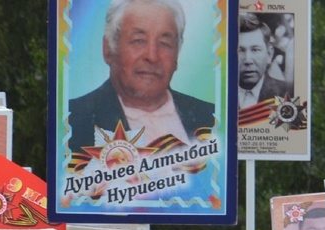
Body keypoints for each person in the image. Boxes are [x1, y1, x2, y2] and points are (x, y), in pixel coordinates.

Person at [67, 0, 215, 154]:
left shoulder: (213, 118)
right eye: (139, 41)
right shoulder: (72, 122)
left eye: (164, 43)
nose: (152, 56)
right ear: (108, 49)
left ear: (177, 54)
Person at [237, 11, 291, 107]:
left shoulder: (289, 93)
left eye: (255, 50)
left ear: (269, 54)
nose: (248, 60)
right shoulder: (216, 93)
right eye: (240, 51)